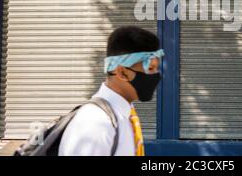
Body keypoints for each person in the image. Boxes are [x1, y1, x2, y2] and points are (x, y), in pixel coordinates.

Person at [58, 26, 164, 156]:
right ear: (122, 73)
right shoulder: (95, 123)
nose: (156, 75)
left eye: (156, 68)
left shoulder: (124, 114)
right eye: (150, 68)